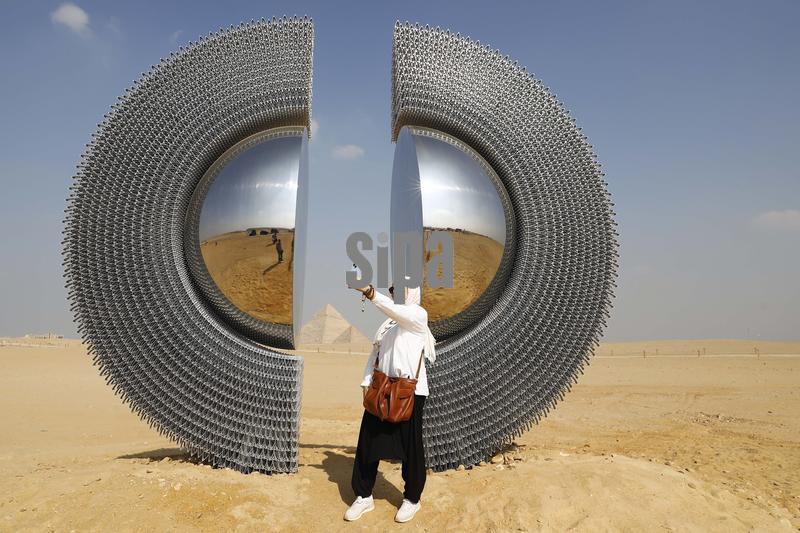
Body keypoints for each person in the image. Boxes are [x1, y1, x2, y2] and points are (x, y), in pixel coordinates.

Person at [344, 280, 436, 523]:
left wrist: (370, 292)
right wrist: (366, 383)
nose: (394, 294)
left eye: (400, 291)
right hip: (382, 389)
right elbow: (376, 354)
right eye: (393, 290)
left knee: (410, 447)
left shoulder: (417, 316)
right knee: (368, 443)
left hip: (409, 392)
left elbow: (396, 310)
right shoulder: (388, 324)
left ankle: (412, 499)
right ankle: (363, 496)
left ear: (413, 293)